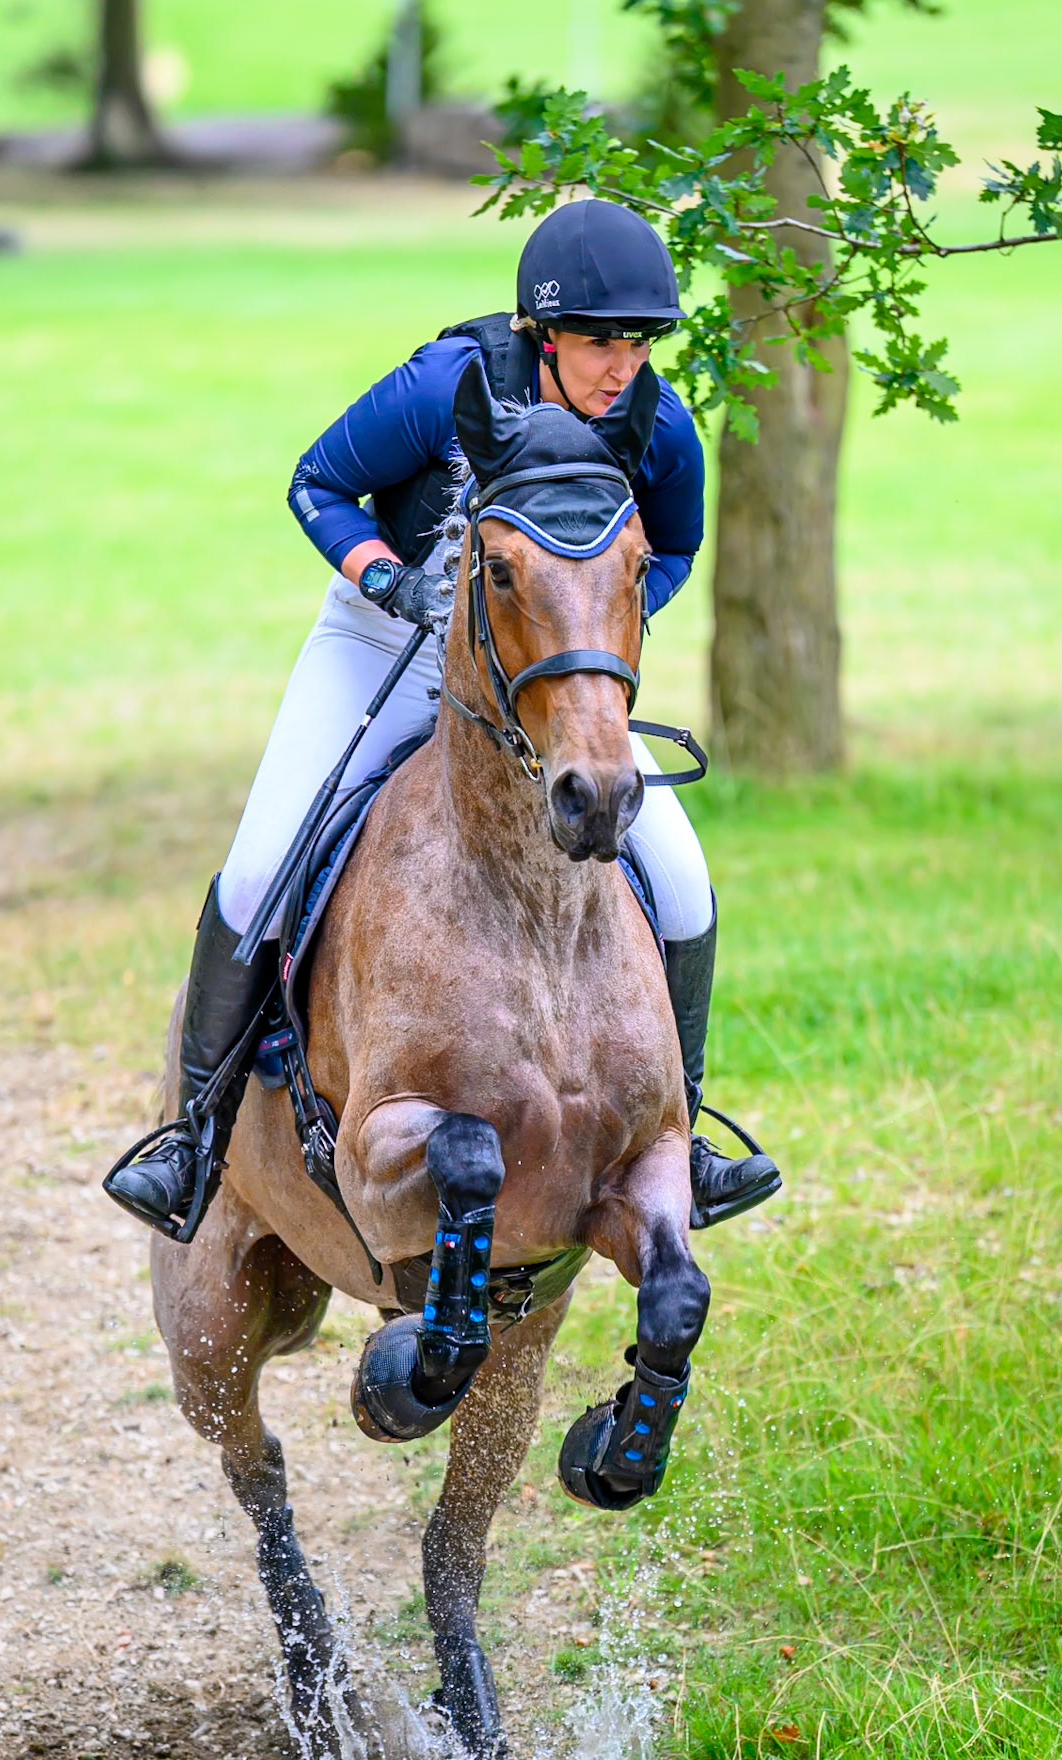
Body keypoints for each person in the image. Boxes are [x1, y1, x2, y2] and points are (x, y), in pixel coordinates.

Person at [106, 198, 780, 1242]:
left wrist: (588, 633)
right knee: (262, 861)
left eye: (641, 341)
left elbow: (678, 546)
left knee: (683, 883)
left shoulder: (661, 423)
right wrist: (391, 580)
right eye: (603, 339)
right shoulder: (446, 388)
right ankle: (196, 1133)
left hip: (544, 663)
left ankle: (681, 1133)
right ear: (540, 333)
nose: (624, 364)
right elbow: (318, 479)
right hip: (387, 636)